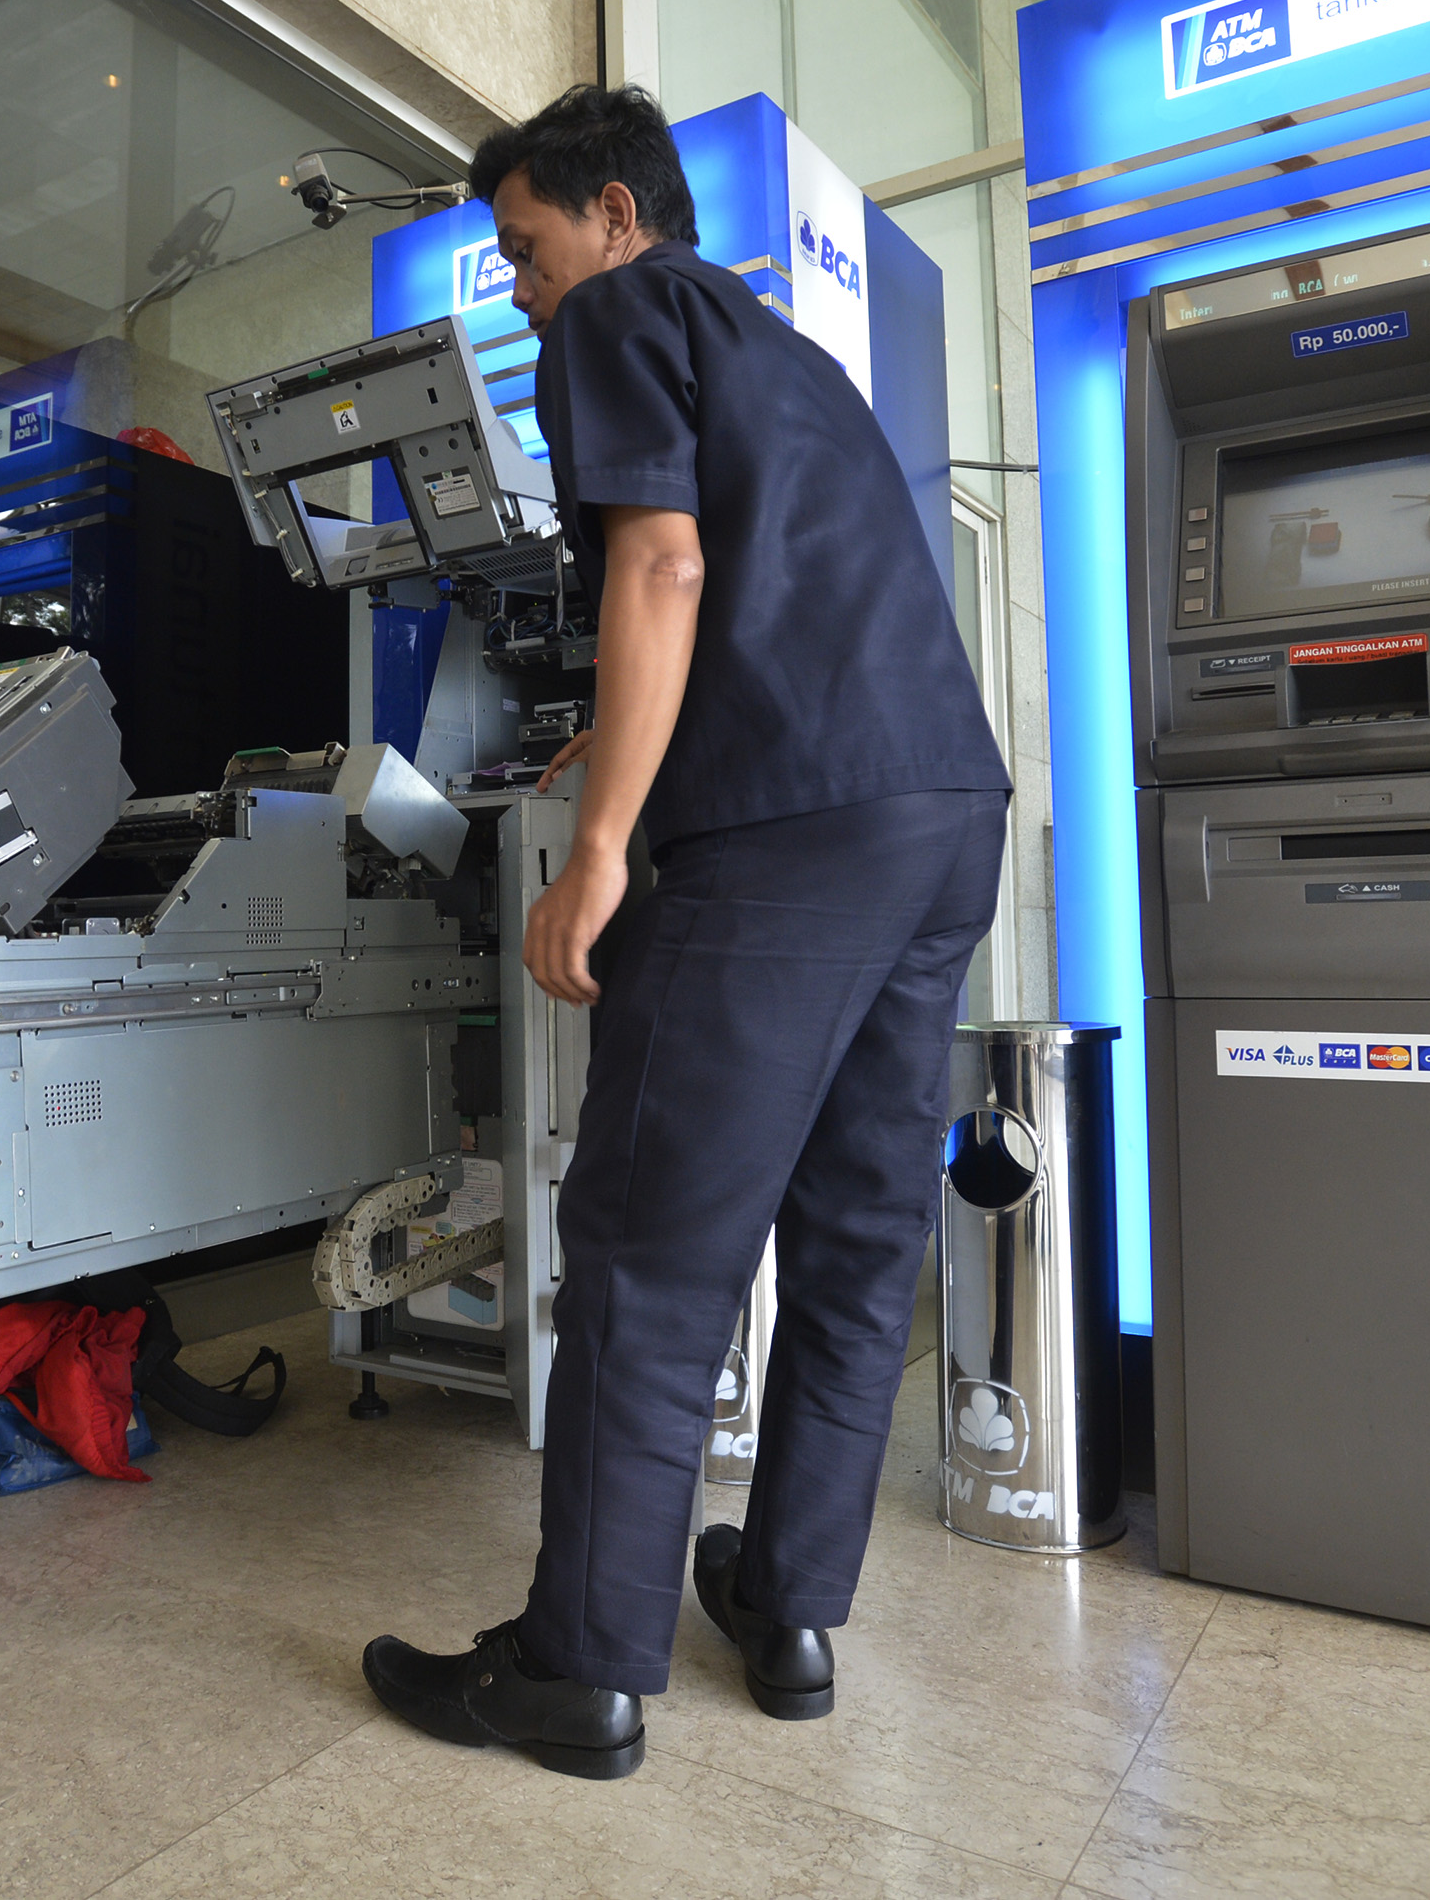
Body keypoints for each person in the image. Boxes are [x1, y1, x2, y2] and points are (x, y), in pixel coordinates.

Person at [359, 87, 1012, 1779]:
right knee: (862, 1237)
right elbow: (783, 595)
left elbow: (661, 567)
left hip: (785, 840)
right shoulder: (787, 352)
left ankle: (581, 1667)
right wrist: (629, 748)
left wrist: (597, 846)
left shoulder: (622, 312)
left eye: (522, 249)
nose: (519, 290)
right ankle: (787, 1608)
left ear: (618, 216)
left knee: (652, 1248)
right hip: (940, 814)